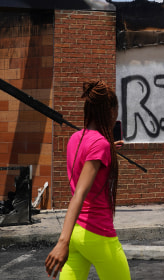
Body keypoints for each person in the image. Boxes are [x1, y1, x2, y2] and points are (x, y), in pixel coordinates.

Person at [45, 80, 131, 280]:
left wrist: (108, 150)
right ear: (109, 112)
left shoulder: (76, 138)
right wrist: (61, 242)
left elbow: (87, 166)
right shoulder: (100, 144)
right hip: (98, 233)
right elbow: (80, 194)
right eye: (116, 112)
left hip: (77, 233)